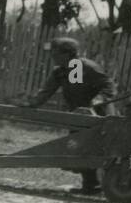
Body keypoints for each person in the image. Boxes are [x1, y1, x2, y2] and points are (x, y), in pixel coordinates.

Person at [21, 36, 117, 194]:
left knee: (97, 150)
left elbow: (108, 85)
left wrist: (99, 99)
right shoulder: (61, 71)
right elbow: (46, 92)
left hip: (98, 115)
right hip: (79, 115)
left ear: (68, 54)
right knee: (79, 148)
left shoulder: (86, 67)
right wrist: (31, 103)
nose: (52, 55)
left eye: (55, 52)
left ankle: (103, 185)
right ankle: (91, 186)